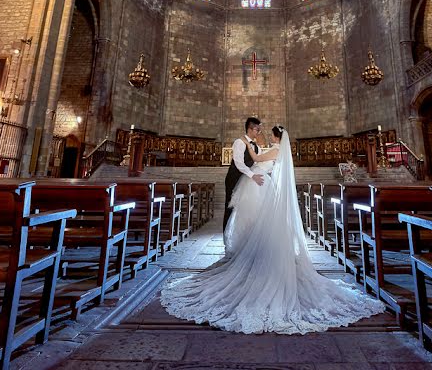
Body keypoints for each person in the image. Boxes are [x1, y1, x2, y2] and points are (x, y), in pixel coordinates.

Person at [161, 125, 385, 334]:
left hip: (261, 185)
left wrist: (249, 143)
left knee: (259, 225)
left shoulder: (275, 150)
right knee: (260, 225)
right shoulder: (280, 151)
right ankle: (258, 254)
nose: (268, 137)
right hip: (264, 186)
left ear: (277, 138)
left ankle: (257, 258)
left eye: (271, 135)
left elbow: (257, 158)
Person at [222, 117, 265, 231]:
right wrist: (253, 176)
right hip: (234, 178)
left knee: (245, 209)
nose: (259, 132)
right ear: (250, 129)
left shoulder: (256, 147)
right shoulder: (239, 142)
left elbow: (258, 161)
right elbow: (239, 163)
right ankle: (227, 238)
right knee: (231, 207)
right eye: (257, 130)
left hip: (246, 181)